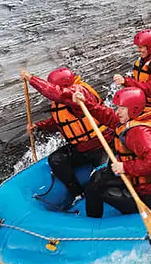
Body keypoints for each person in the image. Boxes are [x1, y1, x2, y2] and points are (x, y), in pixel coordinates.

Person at [70, 85, 151, 218]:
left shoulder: (139, 132)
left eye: (122, 108)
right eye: (118, 107)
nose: (117, 112)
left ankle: (93, 227)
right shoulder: (135, 118)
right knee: (96, 180)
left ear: (133, 109)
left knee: (93, 190)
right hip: (141, 182)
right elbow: (108, 116)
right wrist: (86, 103)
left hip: (148, 192)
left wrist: (124, 166)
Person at [19, 67, 112, 202]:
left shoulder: (79, 95)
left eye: (54, 86)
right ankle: (77, 193)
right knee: (56, 160)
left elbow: (56, 94)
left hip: (102, 145)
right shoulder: (62, 101)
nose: (52, 88)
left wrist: (31, 79)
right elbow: (60, 121)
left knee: (98, 181)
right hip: (81, 148)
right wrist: (38, 127)